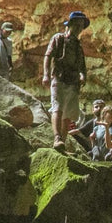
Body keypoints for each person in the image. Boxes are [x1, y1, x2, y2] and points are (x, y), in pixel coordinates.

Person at [42, 11, 90, 149]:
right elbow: (48, 56)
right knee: (57, 108)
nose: (80, 27)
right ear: (71, 24)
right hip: (59, 77)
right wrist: (45, 74)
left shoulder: (78, 45)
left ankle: (62, 141)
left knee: (68, 114)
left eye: (82, 25)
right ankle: (57, 138)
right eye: (78, 24)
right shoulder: (58, 38)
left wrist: (83, 75)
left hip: (73, 82)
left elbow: (82, 65)